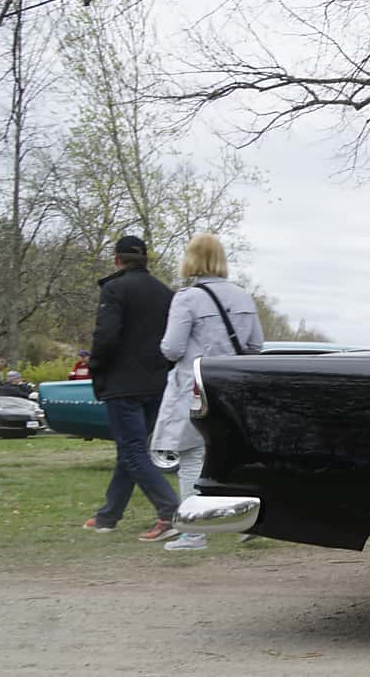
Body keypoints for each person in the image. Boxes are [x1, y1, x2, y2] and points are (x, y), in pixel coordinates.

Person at [154, 232, 261, 551]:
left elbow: (172, 348)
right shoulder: (243, 297)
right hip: (233, 387)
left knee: (191, 457)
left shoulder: (186, 298)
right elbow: (255, 346)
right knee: (233, 457)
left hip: (196, 386)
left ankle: (193, 533)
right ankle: (249, 522)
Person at [84, 235, 180, 538]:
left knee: (133, 451)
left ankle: (170, 511)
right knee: (131, 451)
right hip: (156, 384)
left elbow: (106, 337)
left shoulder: (114, 289)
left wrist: (95, 367)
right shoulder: (166, 293)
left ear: (117, 259)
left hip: (123, 384)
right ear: (145, 260)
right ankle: (108, 516)